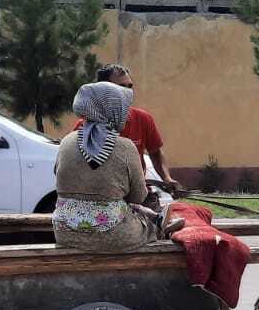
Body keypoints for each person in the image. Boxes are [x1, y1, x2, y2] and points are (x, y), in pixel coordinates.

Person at [53, 82, 175, 252]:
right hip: (111, 236)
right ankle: (158, 225)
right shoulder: (125, 146)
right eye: (123, 108)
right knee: (143, 224)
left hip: (65, 232)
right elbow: (138, 196)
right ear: (111, 110)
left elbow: (59, 179)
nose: (126, 115)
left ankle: (157, 220)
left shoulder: (66, 141)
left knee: (120, 206)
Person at [75, 64, 178, 194]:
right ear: (103, 91)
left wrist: (166, 178)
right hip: (101, 196)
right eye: (121, 87)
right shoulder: (85, 127)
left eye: (130, 86)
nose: (128, 92)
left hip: (136, 194)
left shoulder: (143, 118)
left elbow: (155, 152)